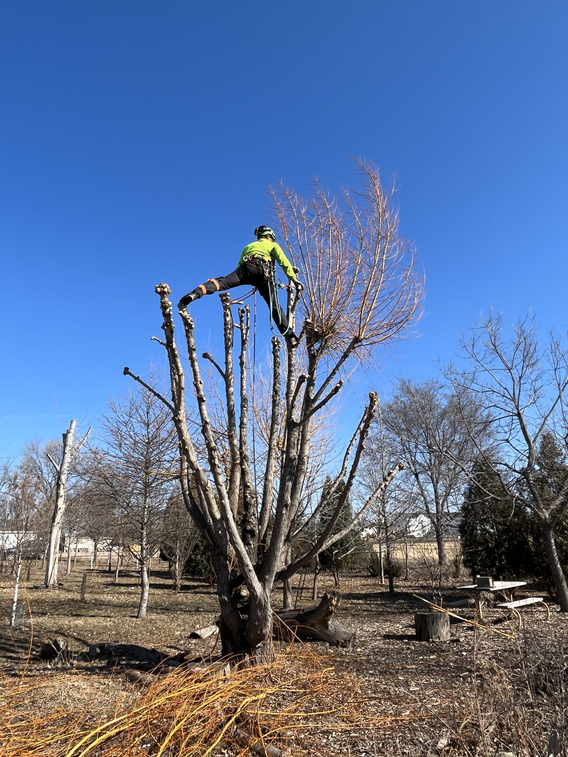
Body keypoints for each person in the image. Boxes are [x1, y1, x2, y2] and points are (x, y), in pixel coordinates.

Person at [177, 226, 303, 340]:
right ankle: (290, 336)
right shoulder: (273, 246)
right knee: (274, 306)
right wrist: (294, 279)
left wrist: (248, 278)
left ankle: (195, 294)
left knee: (221, 283)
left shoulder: (248, 247)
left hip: (246, 269)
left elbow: (239, 267)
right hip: (264, 274)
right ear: (269, 236)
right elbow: (284, 262)